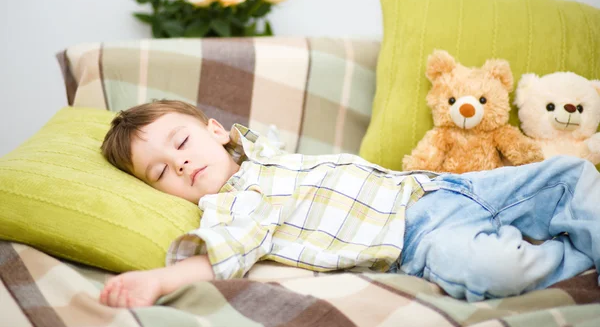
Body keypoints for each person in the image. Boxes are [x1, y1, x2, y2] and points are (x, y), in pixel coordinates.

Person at [98, 99, 600, 308]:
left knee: (568, 175)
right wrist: (158, 280)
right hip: (418, 240)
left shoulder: (259, 153)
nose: (180, 164)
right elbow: (227, 251)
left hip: (436, 187)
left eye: (180, 143)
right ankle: (573, 257)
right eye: (160, 171)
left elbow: (246, 142)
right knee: (493, 269)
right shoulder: (231, 206)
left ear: (213, 130)